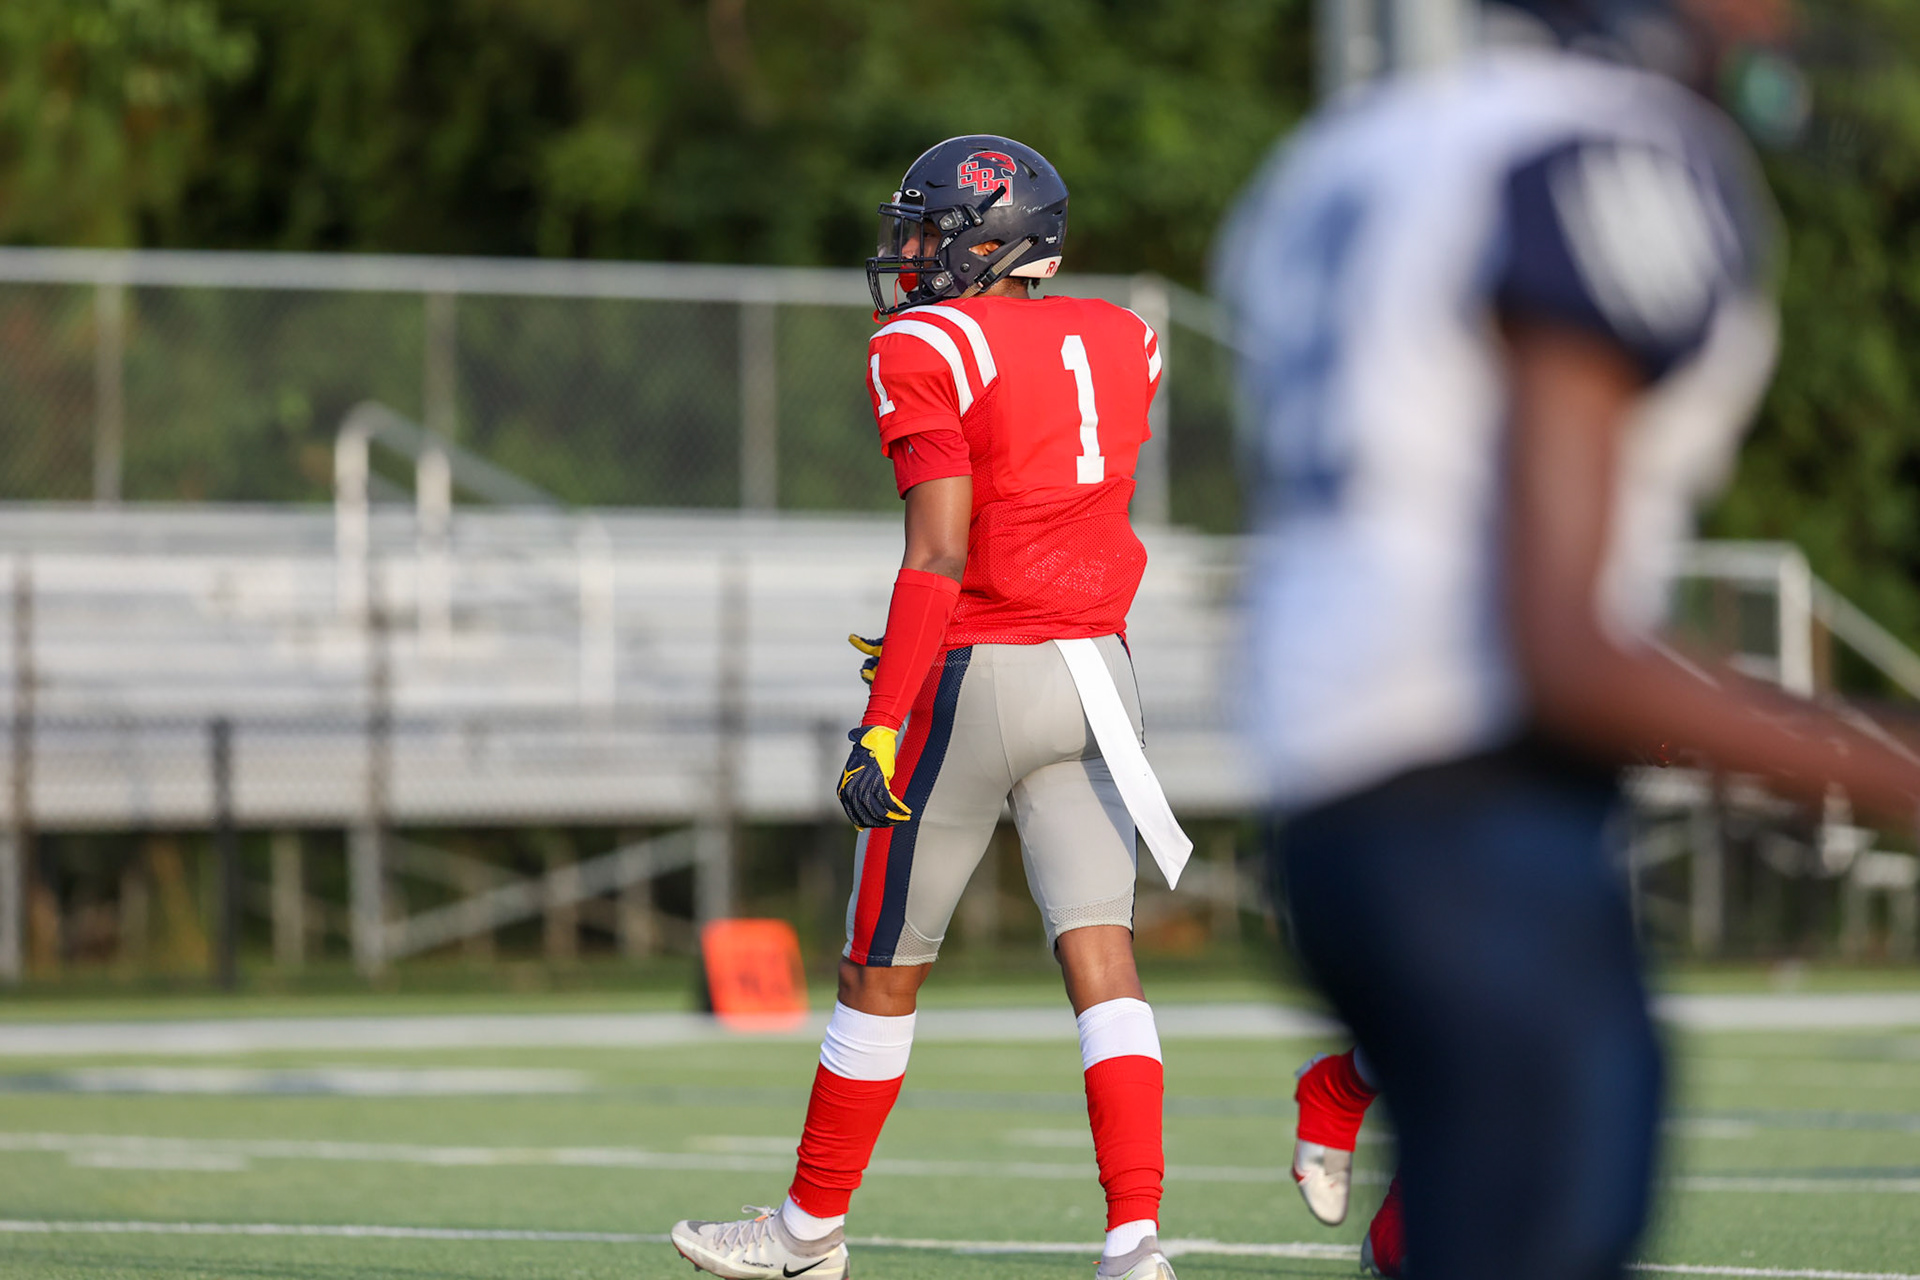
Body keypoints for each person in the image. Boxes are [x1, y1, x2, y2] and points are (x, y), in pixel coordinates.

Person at [1217, 2, 1920, 1278]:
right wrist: (1887, 765)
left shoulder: (1358, 145)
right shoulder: (1607, 151)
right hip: (1473, 814)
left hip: (1329, 807)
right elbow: (1562, 646)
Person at [672, 134, 1190, 1280]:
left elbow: (940, 550)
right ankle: (1135, 1237)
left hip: (981, 674)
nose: (908, 254)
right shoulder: (1124, 336)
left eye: (929, 231)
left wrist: (882, 719)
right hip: (1100, 674)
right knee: (1101, 956)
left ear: (996, 239)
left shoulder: (928, 342)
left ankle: (808, 1230)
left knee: (880, 966)